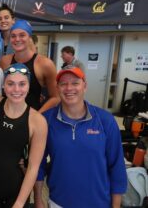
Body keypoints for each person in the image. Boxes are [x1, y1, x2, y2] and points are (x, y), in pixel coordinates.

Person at [34, 66, 127, 208]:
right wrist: (38, 200)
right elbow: (38, 165)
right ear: (57, 88)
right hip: (58, 203)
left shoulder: (105, 121)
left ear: (85, 86)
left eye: (75, 83)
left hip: (99, 203)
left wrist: (116, 206)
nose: (69, 88)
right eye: (63, 84)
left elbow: (117, 167)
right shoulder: (46, 120)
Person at [0, 63, 47, 208]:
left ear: (29, 86)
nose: (16, 89)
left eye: (22, 84)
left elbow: (33, 168)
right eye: (10, 84)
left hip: (16, 191)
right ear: (3, 85)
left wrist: (19, 203)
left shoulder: (38, 121)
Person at [0, 20, 59, 113]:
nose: (17, 39)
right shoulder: (4, 61)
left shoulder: (45, 64)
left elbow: (56, 97)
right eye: (13, 36)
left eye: (22, 35)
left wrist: (36, 116)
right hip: (7, 117)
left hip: (32, 120)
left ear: (29, 37)